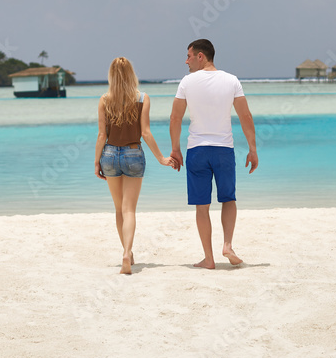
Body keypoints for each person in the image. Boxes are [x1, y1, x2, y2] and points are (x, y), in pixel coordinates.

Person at [169, 39, 258, 269]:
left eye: (189, 56)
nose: (186, 60)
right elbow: (245, 116)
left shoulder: (187, 82)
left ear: (201, 56)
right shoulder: (232, 81)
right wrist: (252, 148)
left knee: (202, 206)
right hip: (224, 150)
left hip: (197, 150)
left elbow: (175, 118)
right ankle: (227, 245)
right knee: (228, 199)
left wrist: (175, 149)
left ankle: (209, 259)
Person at [95, 57, 175, 274]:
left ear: (111, 75)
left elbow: (102, 135)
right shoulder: (142, 98)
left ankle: (126, 253)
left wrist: (96, 162)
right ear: (132, 74)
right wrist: (161, 158)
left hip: (109, 154)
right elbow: (145, 133)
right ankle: (126, 253)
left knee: (119, 209)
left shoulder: (104, 100)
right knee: (129, 209)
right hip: (133, 154)